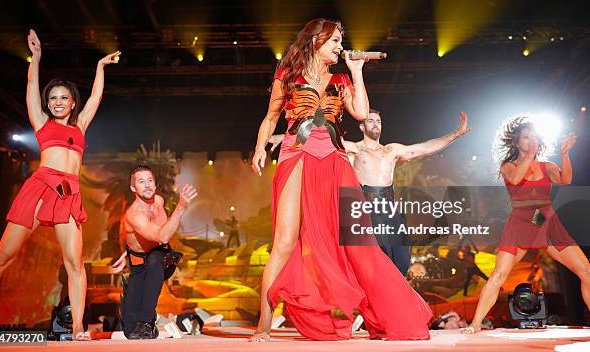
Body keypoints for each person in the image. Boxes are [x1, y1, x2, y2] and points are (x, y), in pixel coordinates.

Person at [250, 19, 432, 342]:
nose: (338, 46)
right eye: (334, 41)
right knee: (284, 242)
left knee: (359, 243)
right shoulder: (288, 76)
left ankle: (382, 316)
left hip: (335, 163)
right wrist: (259, 149)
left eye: (339, 41)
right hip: (296, 159)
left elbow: (361, 112)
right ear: (316, 41)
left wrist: (357, 71)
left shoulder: (341, 78)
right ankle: (264, 324)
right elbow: (270, 117)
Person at [0, 30, 120, 340]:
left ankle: (80, 328)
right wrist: (37, 57)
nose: (57, 102)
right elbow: (31, 85)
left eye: (63, 98)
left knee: (74, 262)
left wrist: (99, 67)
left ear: (72, 103)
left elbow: (96, 97)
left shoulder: (80, 125)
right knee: (3, 256)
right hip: (41, 186)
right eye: (52, 98)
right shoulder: (41, 123)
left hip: (69, 193)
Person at [270, 109, 470, 275]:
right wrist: (285, 138)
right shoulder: (354, 149)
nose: (376, 124)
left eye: (379, 121)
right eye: (371, 121)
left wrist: (455, 134)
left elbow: (424, 147)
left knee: (401, 262)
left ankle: (391, 311)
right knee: (375, 263)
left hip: (390, 210)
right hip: (367, 211)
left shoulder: (391, 150)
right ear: (362, 126)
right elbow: (319, 141)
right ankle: (369, 311)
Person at [463, 116, 589, 333]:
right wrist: (529, 155)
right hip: (521, 222)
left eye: (534, 137)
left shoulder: (547, 166)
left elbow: (565, 180)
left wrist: (565, 155)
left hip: (546, 220)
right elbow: (515, 179)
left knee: (586, 270)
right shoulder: (508, 166)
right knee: (499, 275)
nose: (532, 141)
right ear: (516, 142)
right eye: (526, 137)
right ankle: (475, 324)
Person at [113, 165, 197, 339]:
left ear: (155, 184)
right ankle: (150, 319)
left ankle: (146, 322)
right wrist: (129, 251)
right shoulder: (134, 214)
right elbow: (147, 233)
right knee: (131, 331)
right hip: (139, 268)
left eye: (150, 180)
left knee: (154, 258)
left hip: (162, 260)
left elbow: (162, 237)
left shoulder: (159, 201)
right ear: (133, 188)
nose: (147, 185)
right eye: (141, 182)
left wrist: (180, 208)